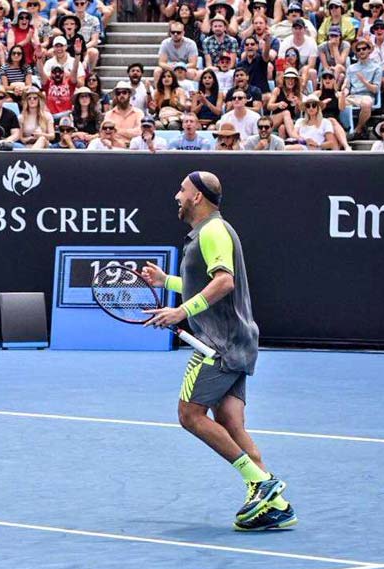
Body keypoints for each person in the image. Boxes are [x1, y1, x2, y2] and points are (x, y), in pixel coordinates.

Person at [141, 172, 296, 532]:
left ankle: (261, 484)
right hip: (238, 340)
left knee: (189, 414)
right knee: (229, 421)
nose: (176, 195)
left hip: (217, 344)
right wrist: (167, 283)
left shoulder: (213, 231)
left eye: (181, 190)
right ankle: (276, 504)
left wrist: (182, 311)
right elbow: (205, 283)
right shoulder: (210, 232)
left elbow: (224, 282)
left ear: (197, 196)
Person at [345, 39, 382, 138]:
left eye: (364, 48)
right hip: (352, 96)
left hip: (367, 95)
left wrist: (364, 82)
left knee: (367, 104)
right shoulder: (351, 68)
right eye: (358, 49)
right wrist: (343, 92)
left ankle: (358, 129)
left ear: (369, 50)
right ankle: (345, 129)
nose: (361, 51)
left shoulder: (377, 68)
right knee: (338, 101)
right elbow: (347, 86)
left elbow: (375, 89)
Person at [103, 79, 143, 148]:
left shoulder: (138, 113)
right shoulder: (109, 114)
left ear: (129, 94)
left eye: (124, 92)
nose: (121, 95)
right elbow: (105, 133)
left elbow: (140, 132)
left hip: (134, 149)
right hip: (113, 149)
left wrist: (117, 130)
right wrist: (129, 133)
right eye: (118, 93)